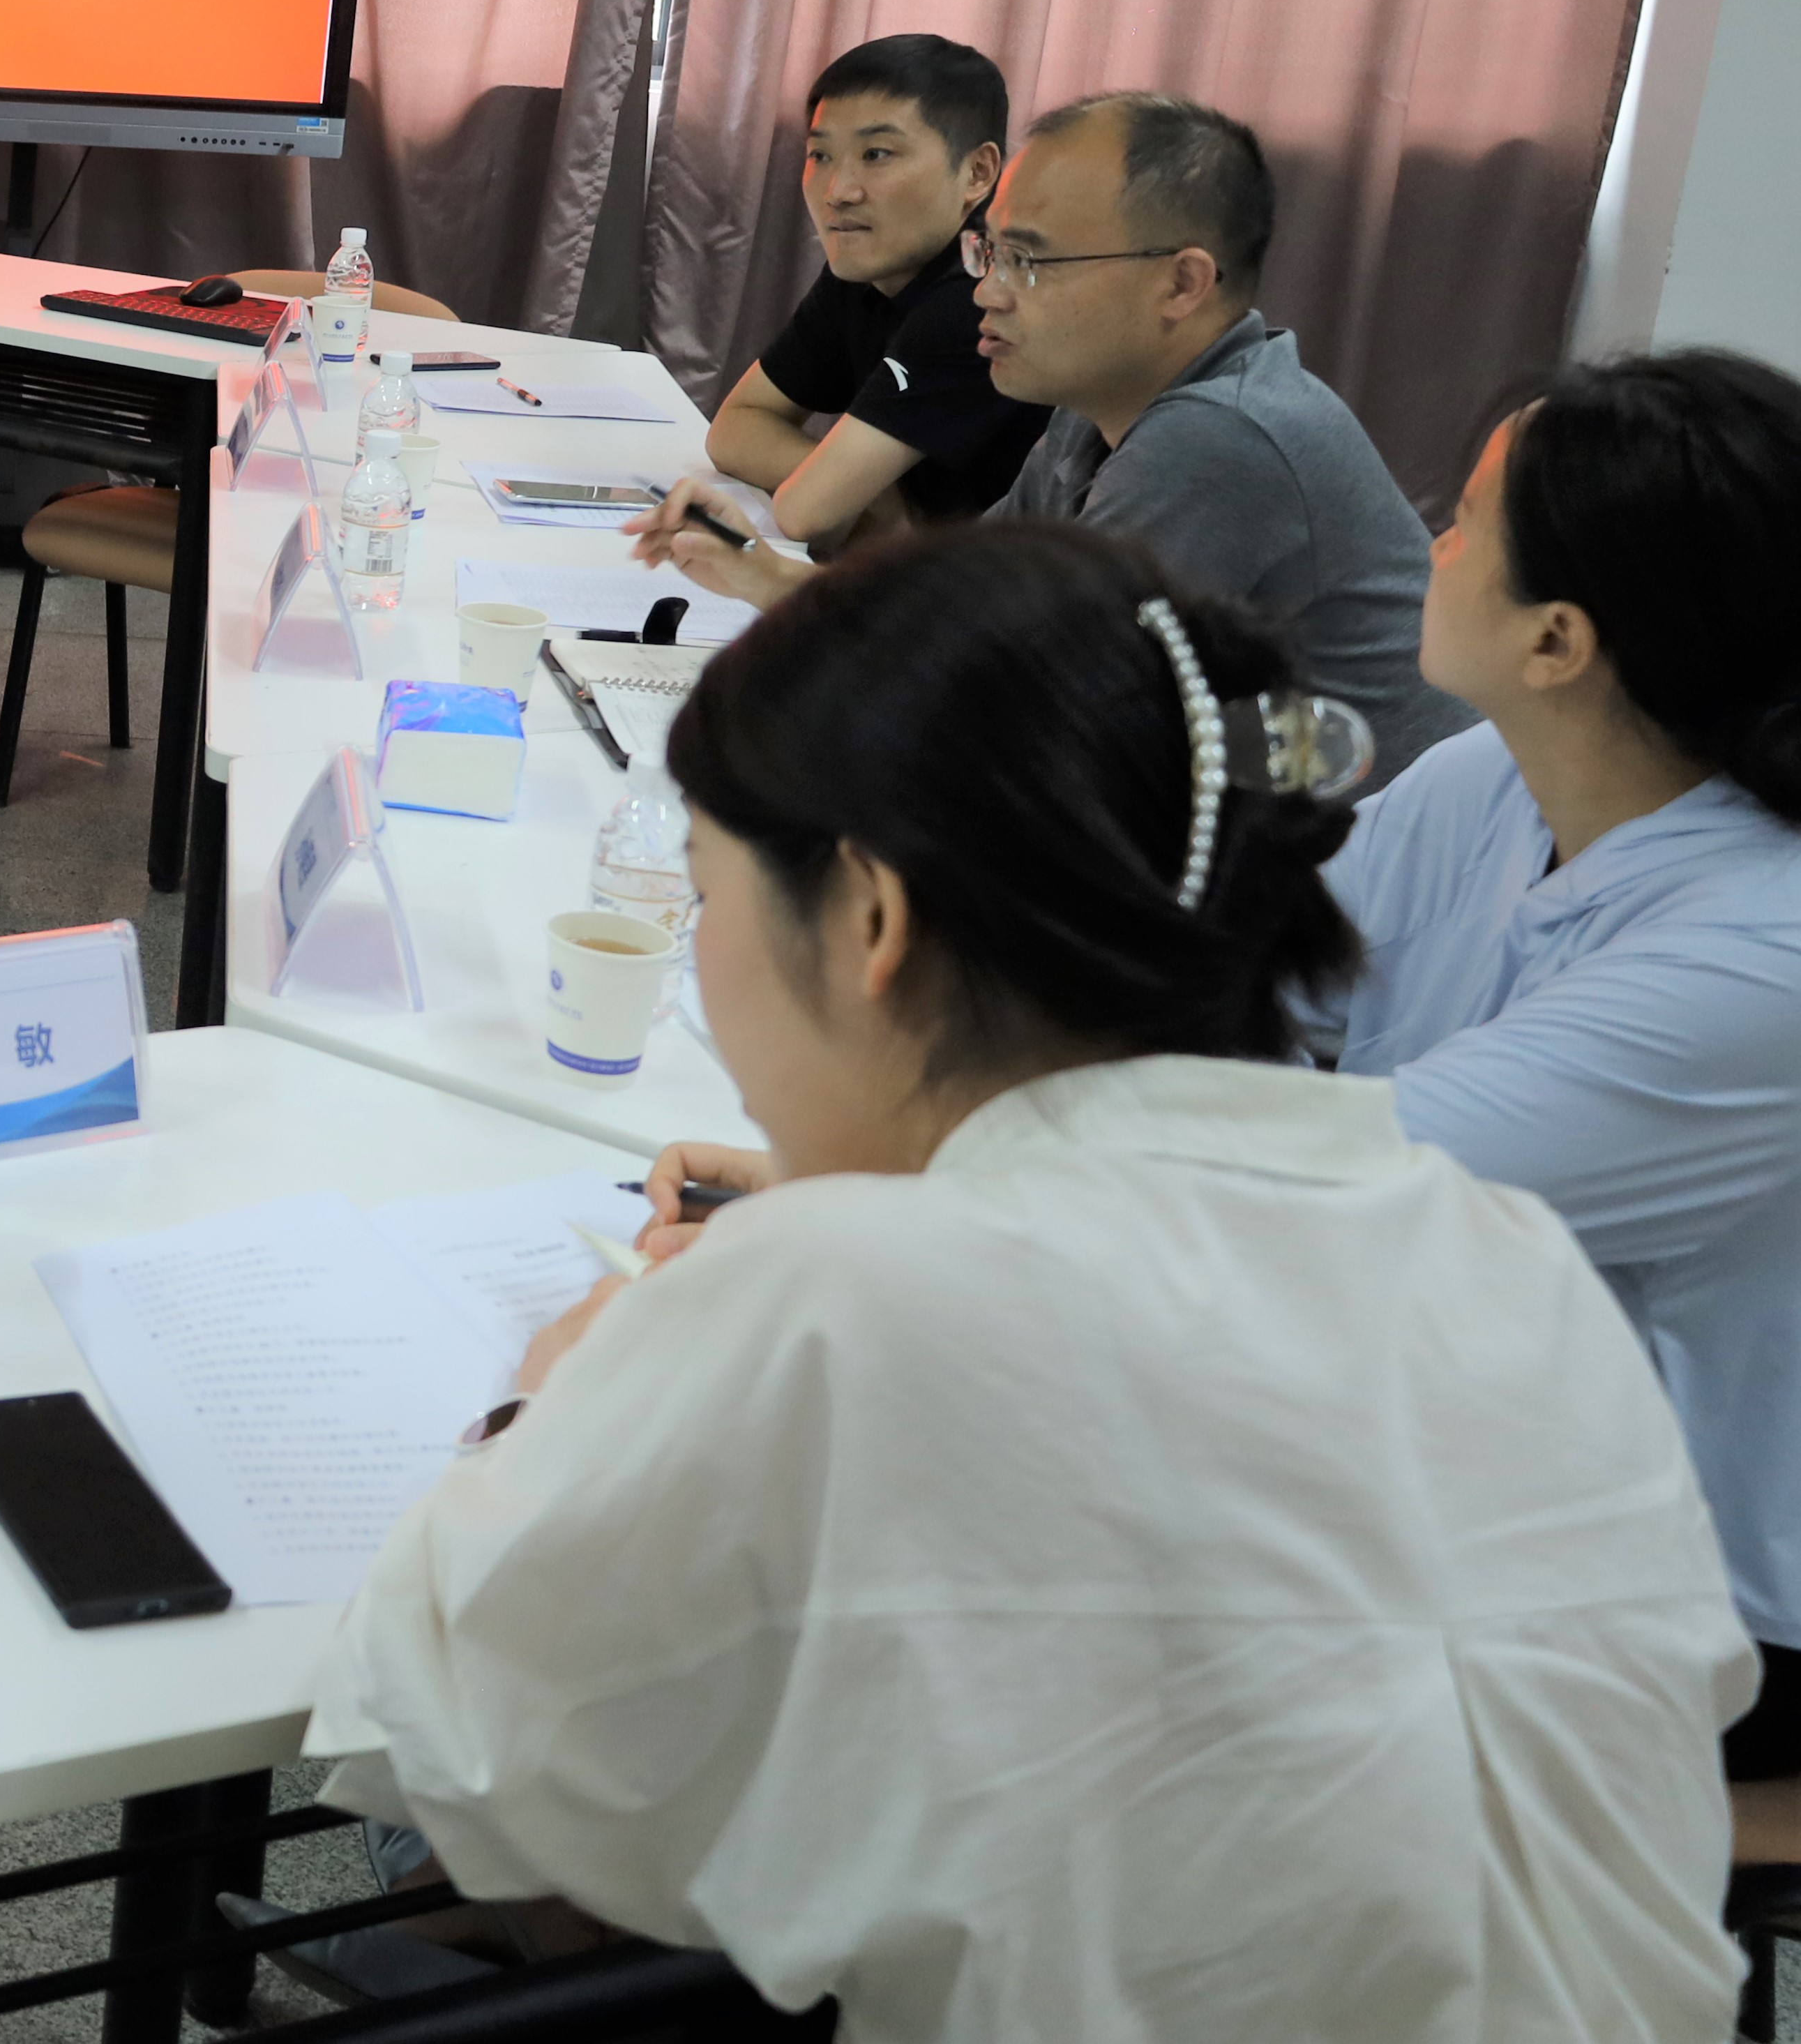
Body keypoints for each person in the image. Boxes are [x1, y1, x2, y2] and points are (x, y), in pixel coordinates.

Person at [308, 521, 1747, 2041]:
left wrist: (557, 1395)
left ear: (872, 919)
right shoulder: (1498, 1250)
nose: (706, 956)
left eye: (706, 893)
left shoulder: (836, 1294)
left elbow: (451, 1733)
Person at [1303, 350, 1801, 1855]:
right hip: (1484, 1448)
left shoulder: (1760, 950)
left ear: (1560, 638)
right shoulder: (1500, 781)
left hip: (1700, 1598)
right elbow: (1235, 983)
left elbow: (1339, 1189)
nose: (1428, 540)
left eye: (1462, 521)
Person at [638, 91, 1474, 783]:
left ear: (1182, 283)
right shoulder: (1098, 401)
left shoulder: (1221, 438)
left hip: (1346, 879)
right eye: (990, 252)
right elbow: (967, 605)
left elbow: (1035, 707)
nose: (988, 292)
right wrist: (764, 574)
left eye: (1030, 262)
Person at [698, 34, 1045, 540]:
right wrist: (879, 500)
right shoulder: (870, 263)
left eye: (876, 154)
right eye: (820, 155)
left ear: (977, 172)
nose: (839, 192)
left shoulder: (980, 296)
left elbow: (806, 509)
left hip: (1007, 579)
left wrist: (839, 491)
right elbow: (733, 428)